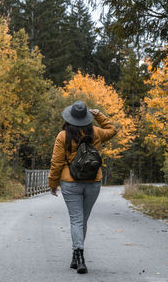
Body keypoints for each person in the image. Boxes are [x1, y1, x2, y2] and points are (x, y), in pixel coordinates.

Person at [48, 100, 118, 274]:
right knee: (82, 220)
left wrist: (52, 184)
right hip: (93, 181)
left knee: (76, 220)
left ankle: (78, 255)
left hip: (70, 182)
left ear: (69, 117)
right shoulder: (96, 133)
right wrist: (99, 114)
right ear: (86, 117)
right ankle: (76, 255)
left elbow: (56, 163)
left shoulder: (63, 135)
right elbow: (113, 130)